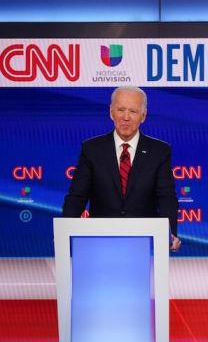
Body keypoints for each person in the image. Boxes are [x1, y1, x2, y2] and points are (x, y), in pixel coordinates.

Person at [63, 86, 181, 251]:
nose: (126, 117)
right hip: (100, 241)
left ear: (143, 116)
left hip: (144, 242)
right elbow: (77, 197)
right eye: (121, 110)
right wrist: (64, 233)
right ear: (111, 112)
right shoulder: (92, 149)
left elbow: (166, 197)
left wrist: (170, 235)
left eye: (133, 111)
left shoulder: (159, 151)